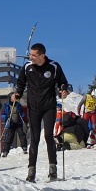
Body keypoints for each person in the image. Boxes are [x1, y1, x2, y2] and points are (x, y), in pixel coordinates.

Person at [13, 43, 68, 182]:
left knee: (48, 135)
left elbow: (62, 82)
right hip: (33, 107)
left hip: (49, 106)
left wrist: (63, 90)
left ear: (42, 56)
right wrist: (17, 93)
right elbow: (20, 83)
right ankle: (31, 171)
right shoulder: (27, 67)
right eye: (30, 54)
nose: (30, 57)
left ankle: (53, 169)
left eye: (33, 55)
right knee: (34, 138)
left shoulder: (54, 66)